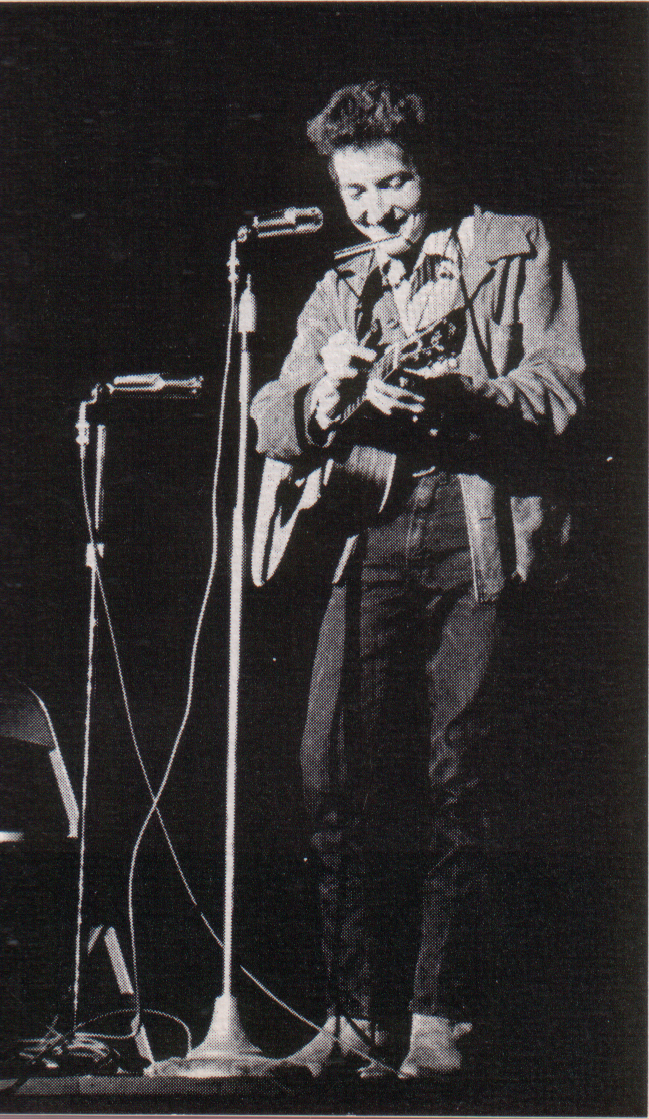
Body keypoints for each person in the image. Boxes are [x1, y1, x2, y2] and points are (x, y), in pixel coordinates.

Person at [250, 80, 584, 1078]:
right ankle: (350, 1022)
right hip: (369, 533)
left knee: (459, 771)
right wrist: (334, 389)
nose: (376, 210)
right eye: (356, 195)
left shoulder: (516, 247)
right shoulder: (343, 285)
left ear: (429, 168)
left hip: (476, 524)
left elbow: (561, 385)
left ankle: (439, 1019)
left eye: (391, 185)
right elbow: (270, 416)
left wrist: (462, 392)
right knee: (330, 769)